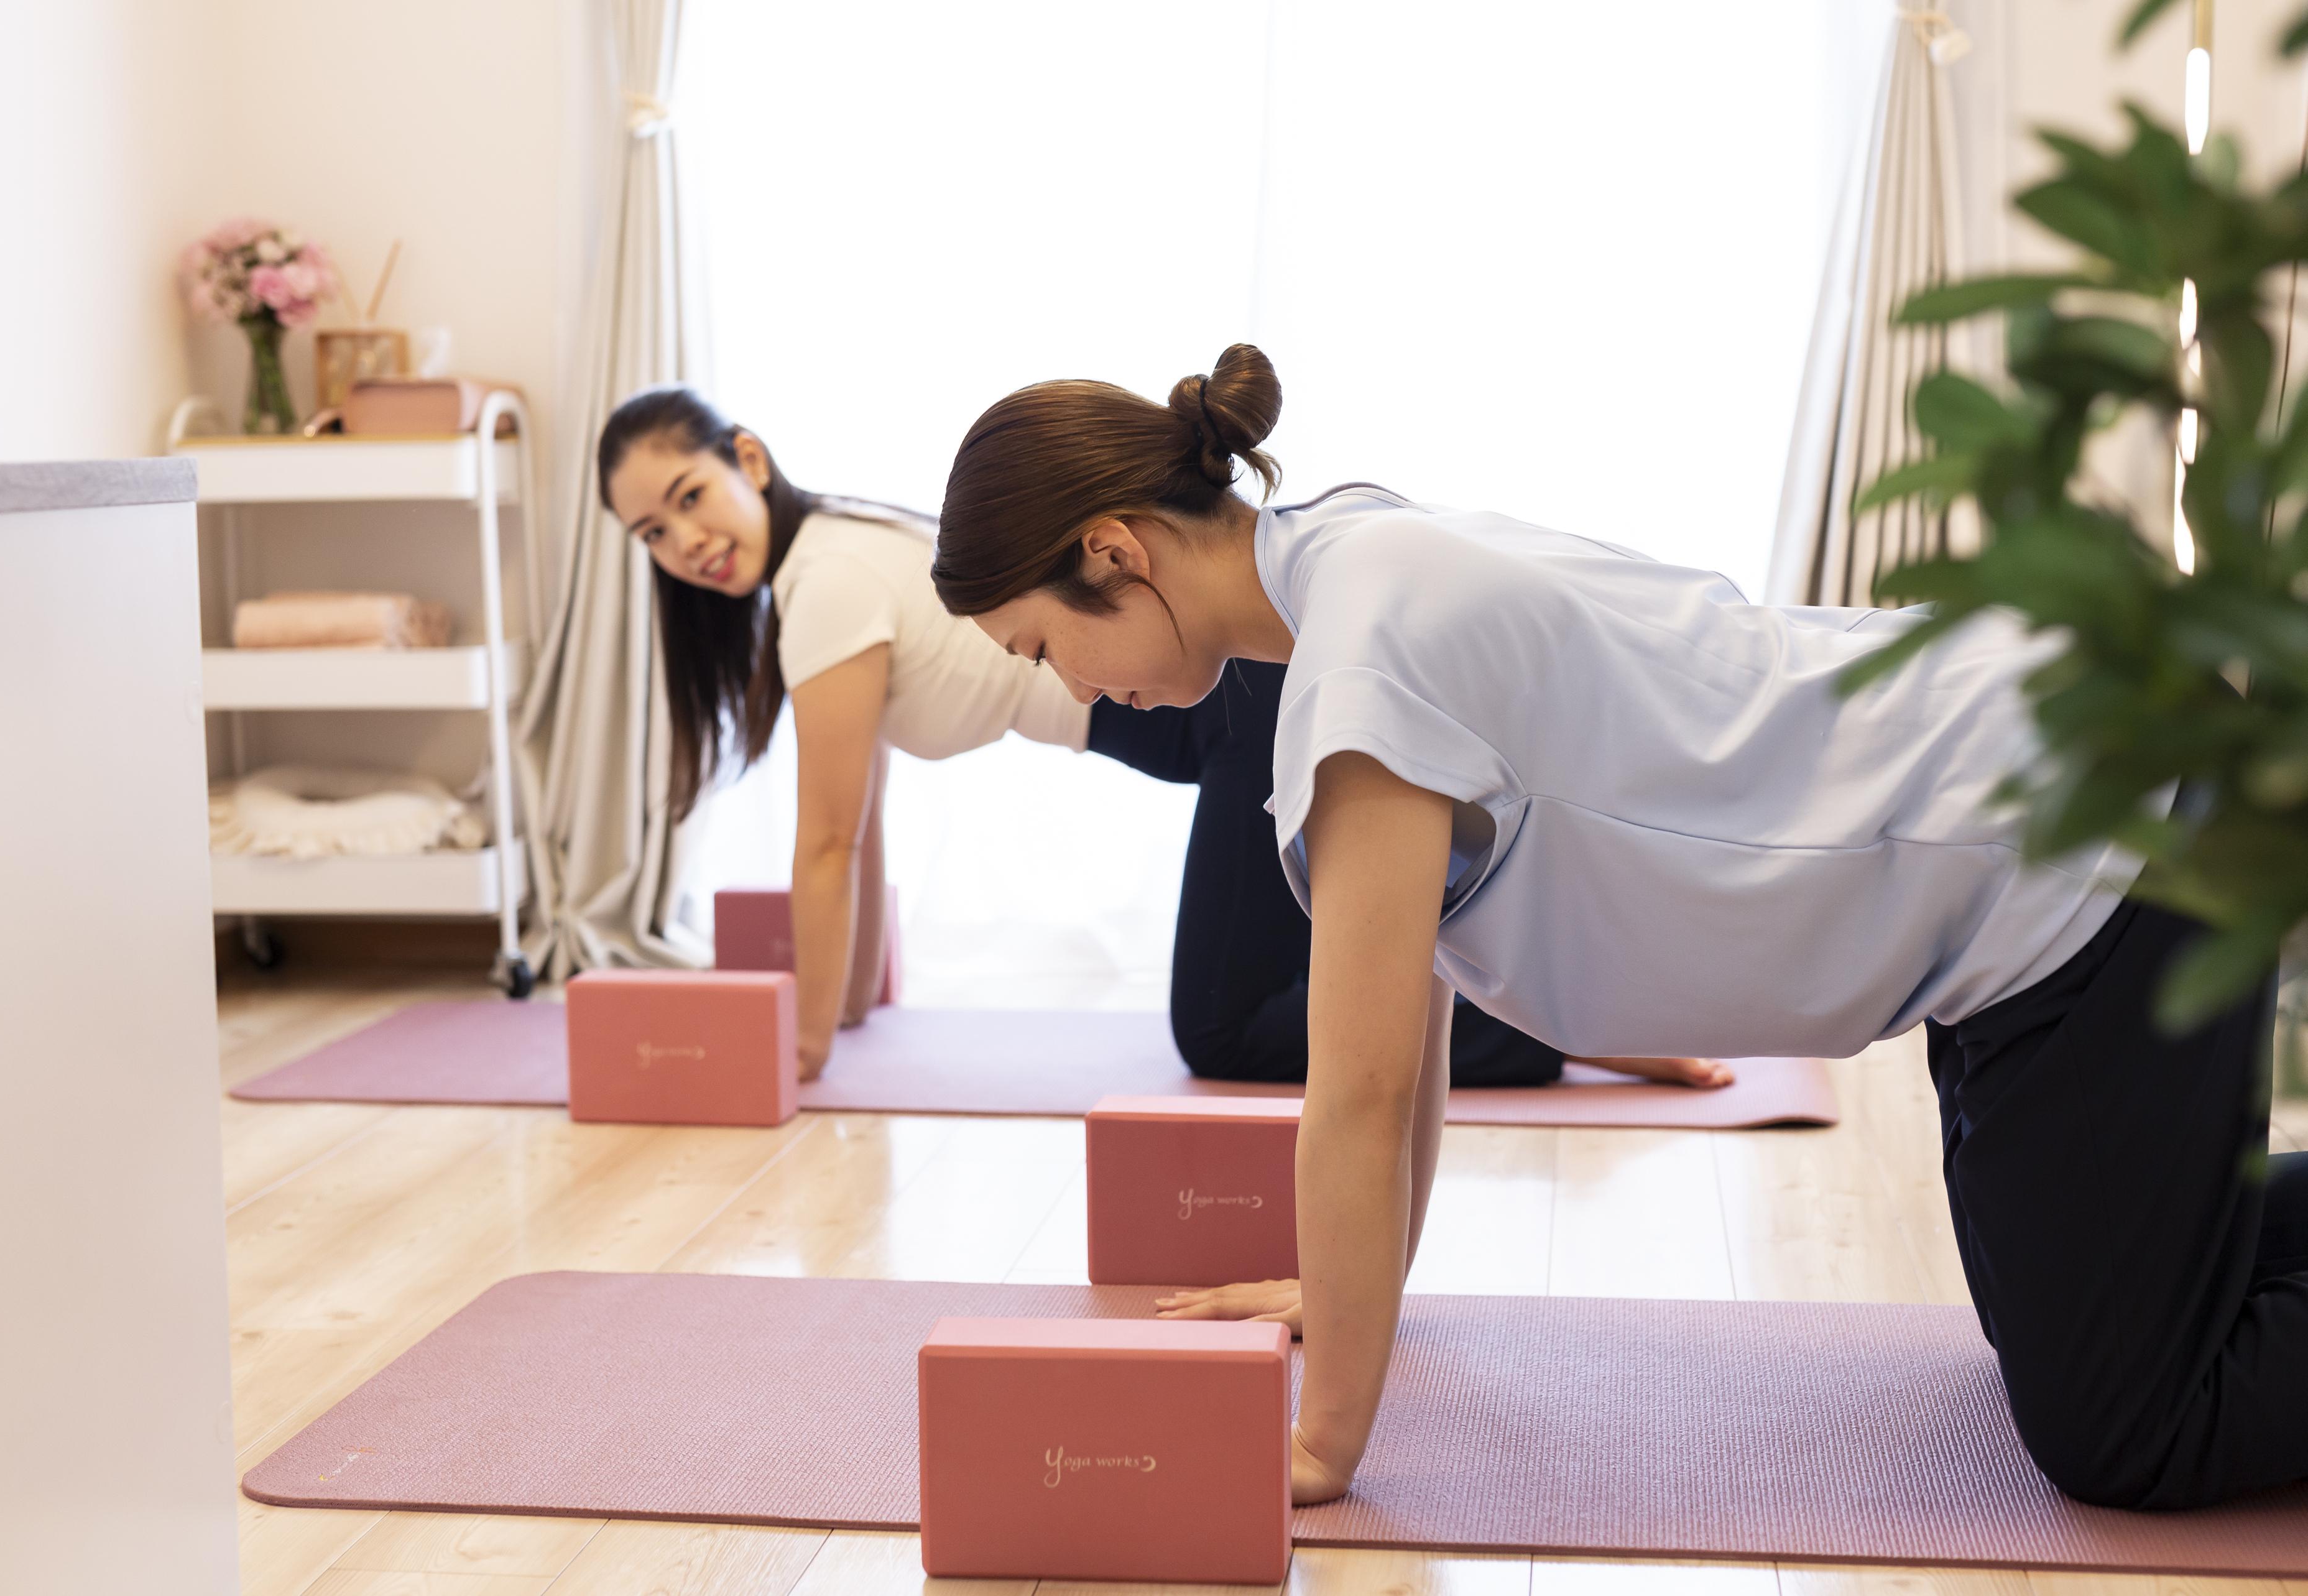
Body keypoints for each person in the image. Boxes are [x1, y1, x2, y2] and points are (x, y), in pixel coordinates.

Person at [928, 343, 2308, 1511]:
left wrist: (1319, 1445)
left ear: (1113, 551)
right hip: (2009, 872)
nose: (1075, 688)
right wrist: (1346, 1293)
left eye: (1042, 647)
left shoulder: (1361, 671)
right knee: (2070, 1328)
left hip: (2083, 834)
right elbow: (1401, 1043)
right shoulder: (1347, 556)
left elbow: (1351, 1098)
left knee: (2126, 1431)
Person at [596, 386, 1720, 1090]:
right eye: (653, 531)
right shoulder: (832, 556)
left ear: (747, 459)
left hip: (1235, 710)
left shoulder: (827, 583)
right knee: (1303, 977)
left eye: (690, 497)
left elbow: (827, 841)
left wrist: (796, 1060)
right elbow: (860, 812)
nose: (685, 540)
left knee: (1222, 1031)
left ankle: (1552, 1034)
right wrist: (837, 1017)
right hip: (1208, 722)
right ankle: (1556, 1014)